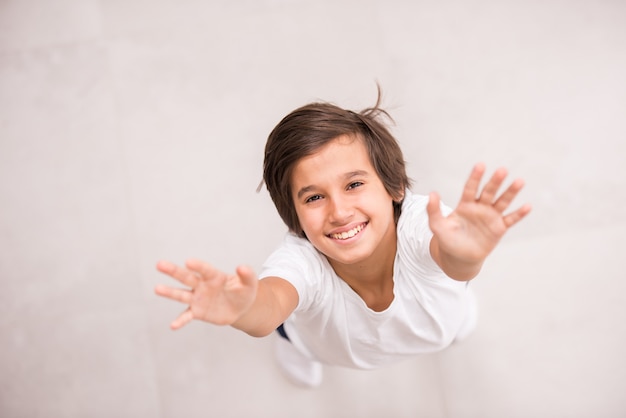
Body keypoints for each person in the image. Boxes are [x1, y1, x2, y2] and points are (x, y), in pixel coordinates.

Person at [154, 91, 531, 388]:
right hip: (327, 347)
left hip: (437, 323)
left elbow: (452, 256)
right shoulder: (302, 262)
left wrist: (466, 258)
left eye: (354, 184)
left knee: (453, 317)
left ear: (394, 186)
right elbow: (270, 305)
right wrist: (244, 309)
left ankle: (454, 321)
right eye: (314, 197)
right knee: (291, 330)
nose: (338, 211)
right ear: (295, 218)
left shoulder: (422, 227)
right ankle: (296, 348)